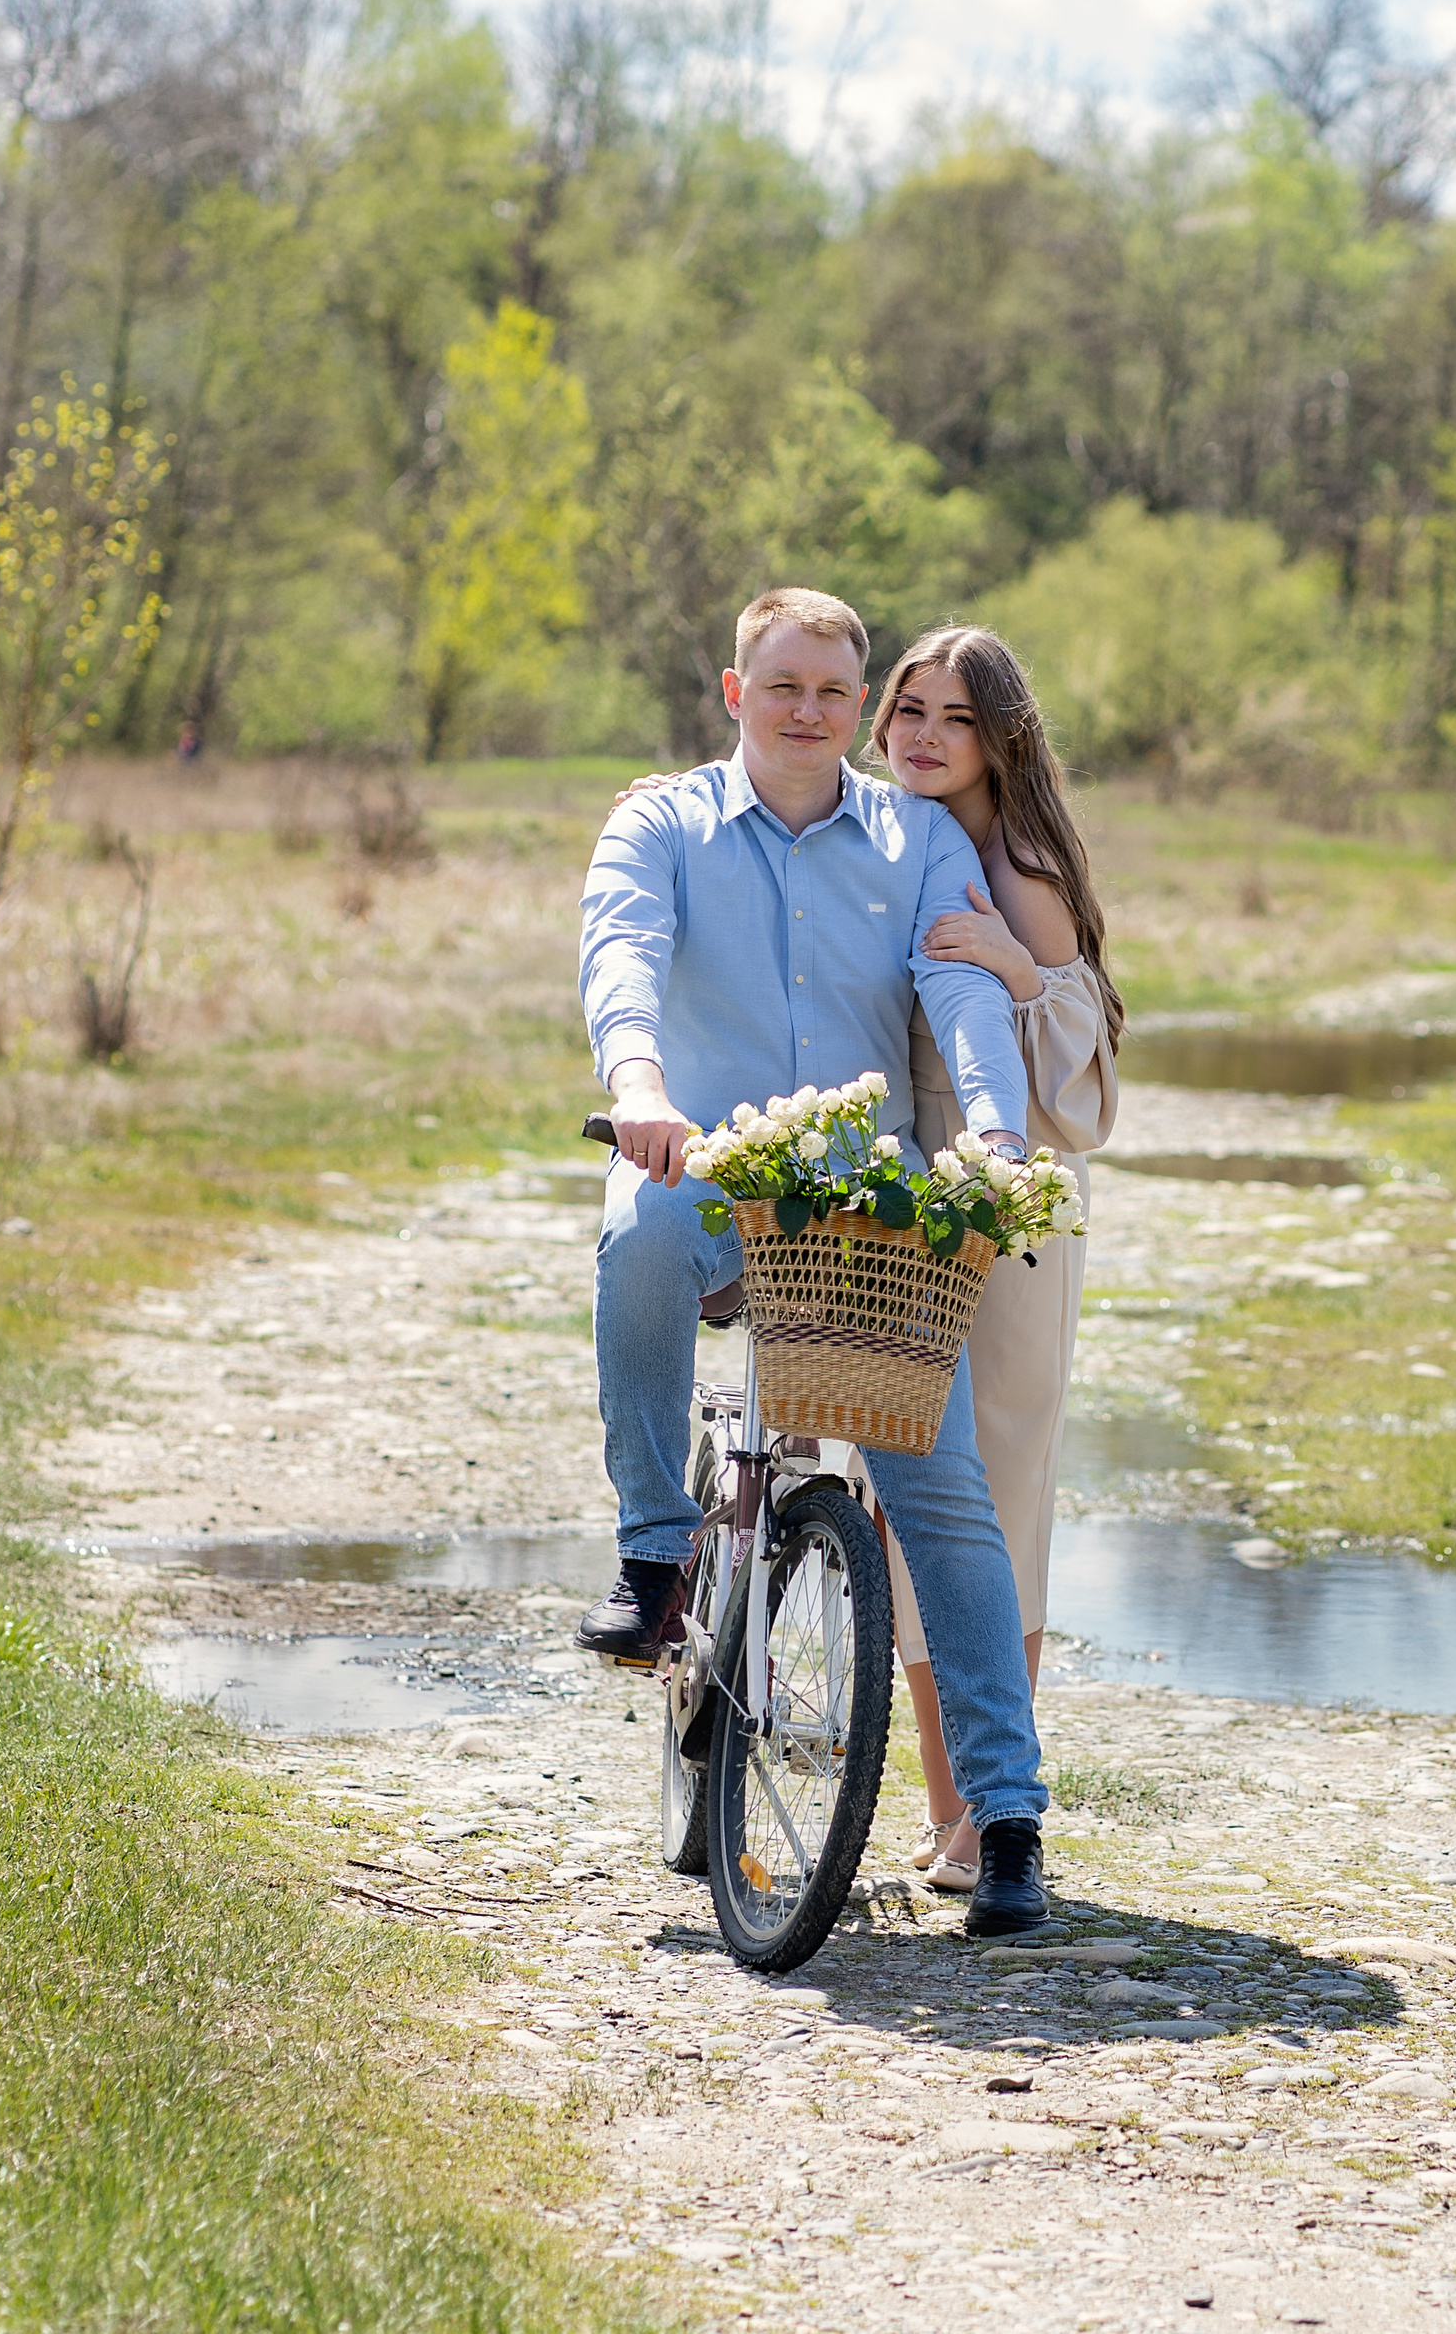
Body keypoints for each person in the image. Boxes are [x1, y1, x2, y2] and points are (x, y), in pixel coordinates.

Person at [574, 585, 1051, 1938]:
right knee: (638, 1228)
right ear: (736, 691)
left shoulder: (917, 836)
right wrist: (640, 1083)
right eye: (782, 685)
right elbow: (622, 952)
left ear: (860, 705)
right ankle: (656, 1551)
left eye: (835, 690)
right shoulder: (661, 822)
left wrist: (998, 1133)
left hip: (852, 1201)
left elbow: (960, 986)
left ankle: (1005, 1819)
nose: (808, 710)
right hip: (702, 1162)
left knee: (941, 1489)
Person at [870, 626, 1121, 1892]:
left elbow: (1085, 1087)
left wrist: (1022, 971)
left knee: (995, 1502)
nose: (924, 736)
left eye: (956, 717)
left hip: (1009, 1202)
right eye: (909, 708)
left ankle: (987, 1806)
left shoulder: (1017, 863)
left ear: (1001, 736)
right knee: (908, 1510)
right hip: (904, 1189)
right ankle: (950, 1807)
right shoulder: (889, 835)